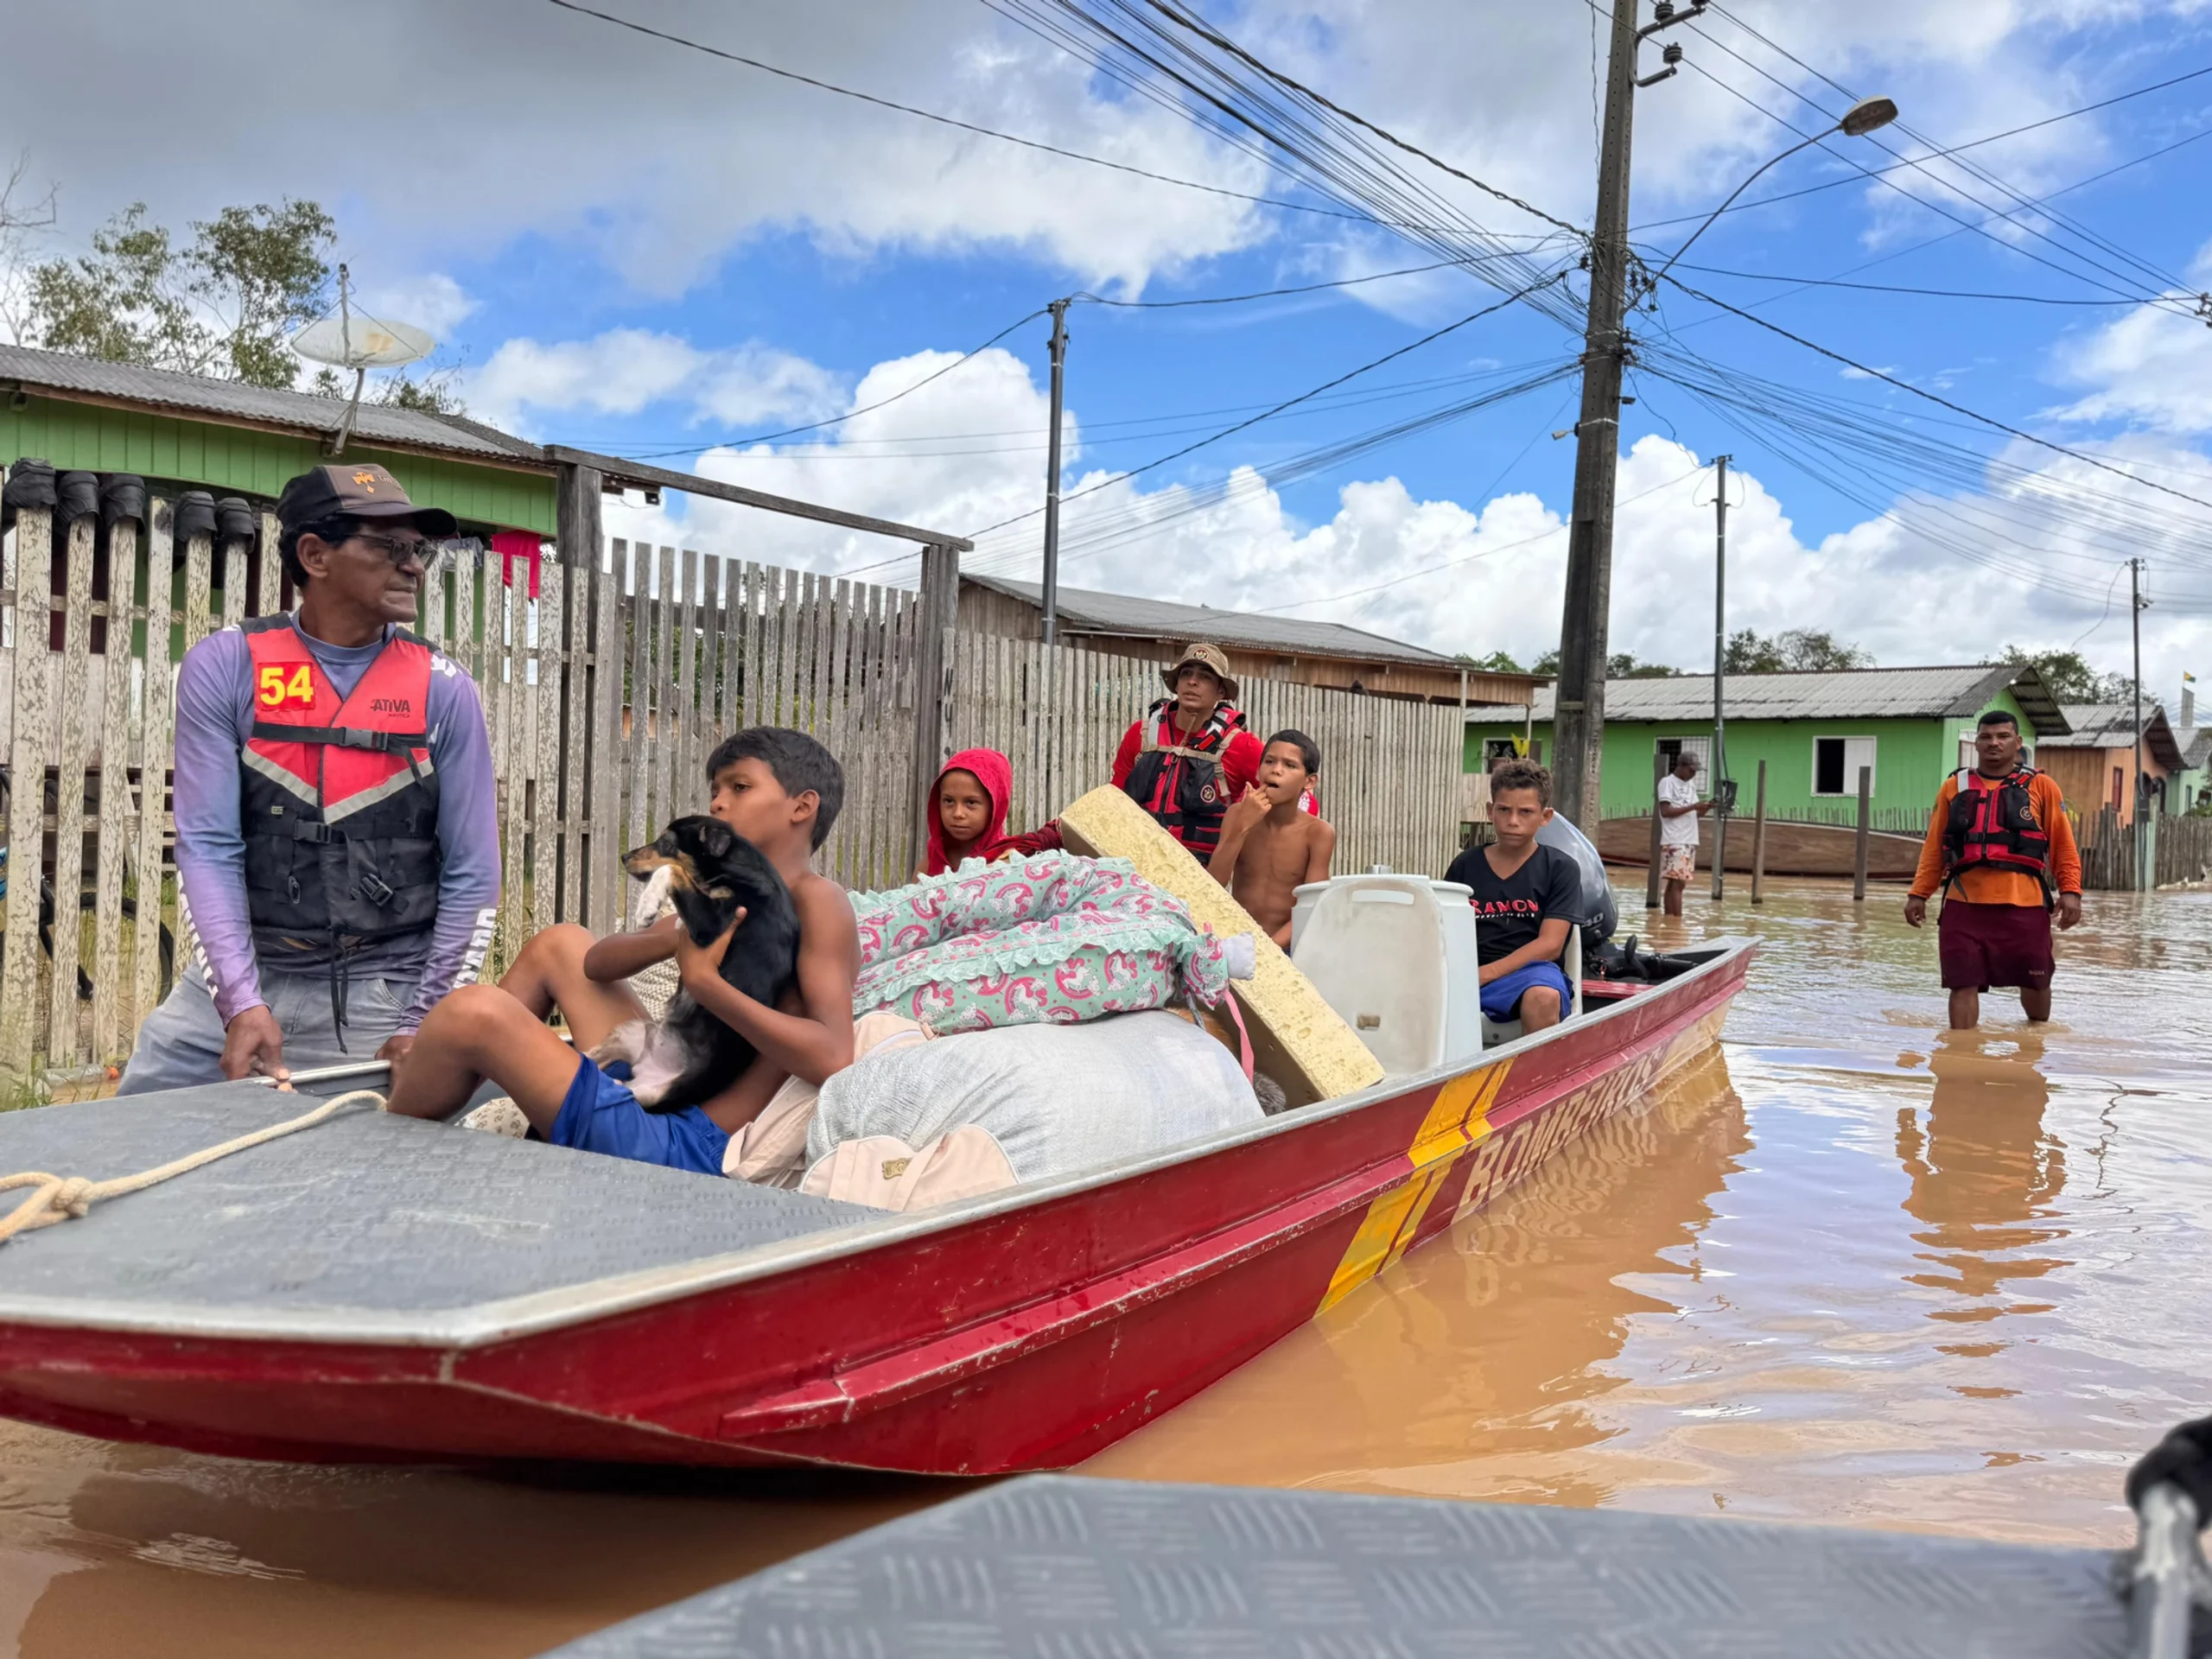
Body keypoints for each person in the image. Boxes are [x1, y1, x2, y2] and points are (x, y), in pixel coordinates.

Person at [117, 465, 499, 1095]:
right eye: (390, 547)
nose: (414, 567)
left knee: (446, 1139)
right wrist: (239, 1001)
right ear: (315, 556)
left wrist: (426, 1019)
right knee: (126, 1130)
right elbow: (208, 847)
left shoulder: (444, 689)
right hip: (244, 983)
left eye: (419, 550)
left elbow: (473, 873)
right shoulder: (227, 666)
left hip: (387, 990)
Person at [384, 728, 861, 1173]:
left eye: (739, 787)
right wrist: (676, 936)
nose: (718, 802)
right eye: (715, 789)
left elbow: (833, 1058)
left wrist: (705, 984)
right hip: (650, 1086)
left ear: (802, 806)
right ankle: (445, 1075)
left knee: (474, 1011)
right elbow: (595, 963)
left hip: (683, 1140)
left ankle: (383, 1144)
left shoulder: (817, 902)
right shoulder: (719, 901)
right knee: (561, 943)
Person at [1904, 709, 2082, 1031]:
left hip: (2025, 905)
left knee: (2036, 982)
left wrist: (2070, 891)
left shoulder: (2042, 786)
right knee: (1962, 983)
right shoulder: (1953, 787)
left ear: (2018, 742)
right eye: (1986, 737)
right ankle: (1961, 1054)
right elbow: (1934, 847)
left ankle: (2036, 1041)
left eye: (2003, 736)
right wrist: (1919, 894)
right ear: (1976, 743)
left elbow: (2063, 845)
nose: (1994, 743)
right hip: (1963, 905)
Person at [1442, 759, 1578, 1033]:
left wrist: (1484, 975)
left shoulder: (1560, 868)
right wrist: (1462, 974)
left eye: (1526, 812)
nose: (1513, 821)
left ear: (1545, 816)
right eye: (1504, 810)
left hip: (1532, 973)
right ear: (1490, 811)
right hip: (1468, 969)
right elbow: (1443, 930)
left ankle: (1536, 1064)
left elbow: (1551, 945)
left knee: (1543, 997)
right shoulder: (1465, 864)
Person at [1109, 642, 1265, 861]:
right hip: (1135, 860)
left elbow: (1285, 799)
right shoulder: (1142, 734)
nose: (1192, 681)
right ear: (1176, 684)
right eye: (1186, 674)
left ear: (1221, 691)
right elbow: (1114, 798)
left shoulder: (1241, 745)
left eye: (1205, 676)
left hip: (1200, 871)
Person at [1209, 729, 1335, 947]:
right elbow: (1213, 884)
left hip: (1286, 948)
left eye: (1290, 765)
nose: (1276, 770)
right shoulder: (1237, 814)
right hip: (1237, 940)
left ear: (1309, 781)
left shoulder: (1318, 833)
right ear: (1258, 772)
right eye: (1269, 761)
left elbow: (1312, 907)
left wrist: (1268, 951)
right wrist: (1243, 826)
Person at [918, 747, 1064, 878]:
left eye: (971, 803)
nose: (958, 813)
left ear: (995, 806)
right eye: (949, 801)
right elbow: (911, 897)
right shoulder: (934, 856)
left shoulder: (1008, 859)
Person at [1655, 750, 1713, 918]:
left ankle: (1670, 919)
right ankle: (1677, 921)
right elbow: (1665, 811)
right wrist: (1694, 807)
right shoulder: (1667, 783)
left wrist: (1705, 808)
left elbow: (1695, 814)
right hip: (1675, 839)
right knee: (1679, 882)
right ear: (1681, 766)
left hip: (1690, 839)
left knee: (1676, 881)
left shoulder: (1690, 785)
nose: (1694, 774)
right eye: (1691, 770)